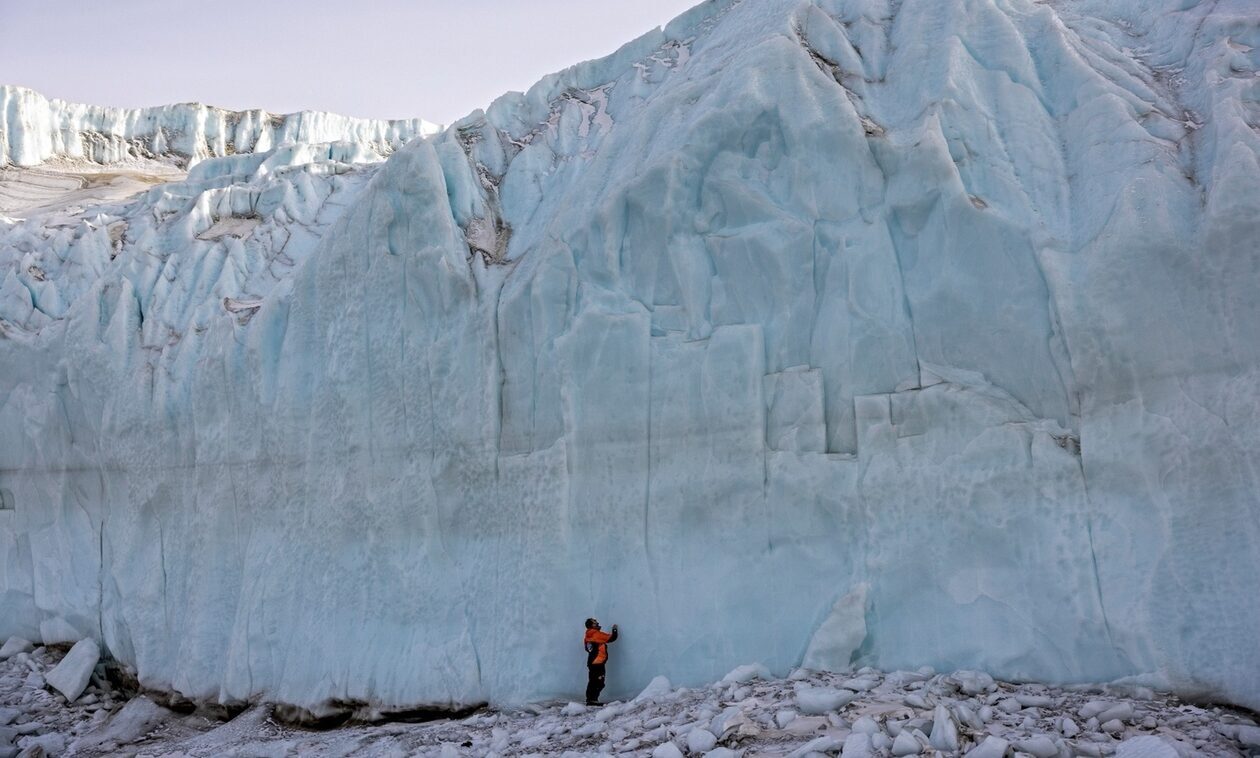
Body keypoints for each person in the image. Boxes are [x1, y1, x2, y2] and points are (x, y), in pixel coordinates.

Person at [583, 617, 619, 705]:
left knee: (593, 681)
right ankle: (593, 700)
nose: (597, 623)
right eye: (595, 622)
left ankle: (590, 699)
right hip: (598, 662)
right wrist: (614, 629)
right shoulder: (596, 634)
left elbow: (588, 648)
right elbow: (611, 638)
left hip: (592, 662)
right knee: (599, 682)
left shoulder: (588, 635)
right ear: (591, 625)